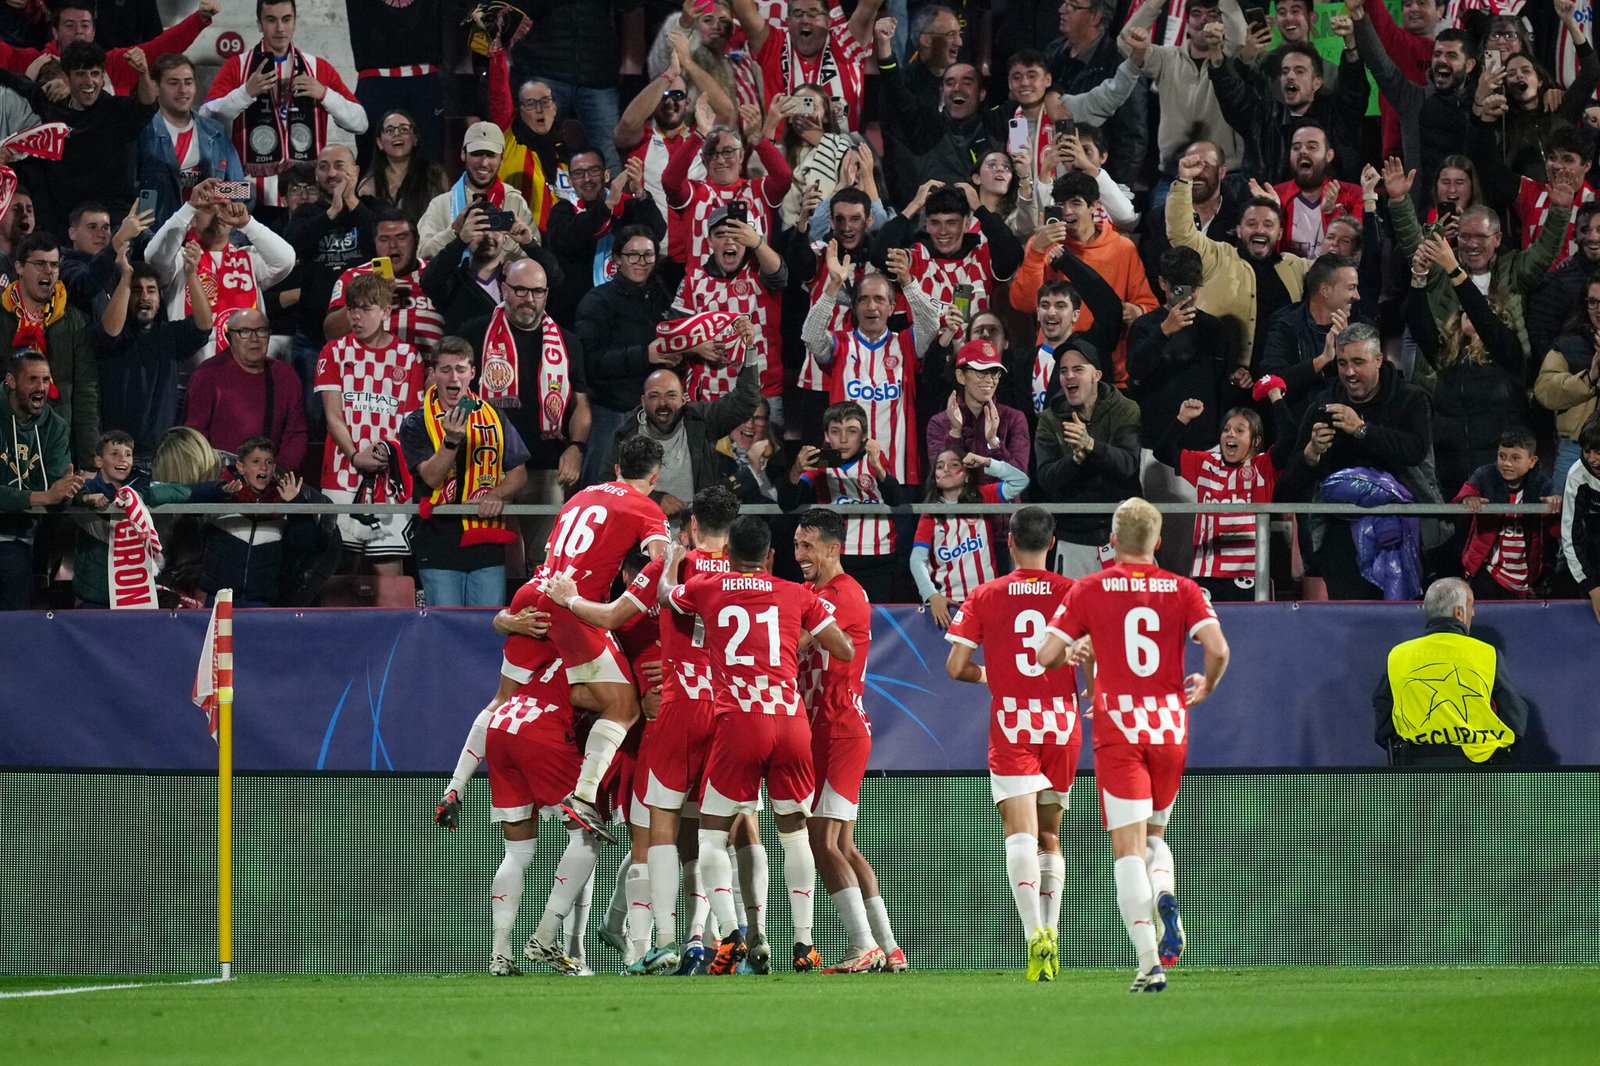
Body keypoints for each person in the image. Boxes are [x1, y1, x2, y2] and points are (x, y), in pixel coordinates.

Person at [542, 485, 739, 976]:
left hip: (668, 719)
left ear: (691, 527)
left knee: (654, 836)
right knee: (714, 835)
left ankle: (653, 946)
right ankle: (714, 940)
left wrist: (569, 598)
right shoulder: (742, 577)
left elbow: (608, 619)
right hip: (721, 713)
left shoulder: (664, 573)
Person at [1037, 497, 1230, 993]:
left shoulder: (1089, 587)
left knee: (1126, 851)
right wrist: (1206, 686)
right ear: (1158, 542)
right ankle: (1165, 893)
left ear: (1114, 542)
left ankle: (1149, 963)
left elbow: (1045, 655)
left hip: (1119, 728)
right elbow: (1218, 649)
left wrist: (1076, 649)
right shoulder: (1183, 588)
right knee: (1152, 838)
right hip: (1170, 727)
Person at [661, 512, 856, 973]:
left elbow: (667, 597)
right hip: (790, 721)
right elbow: (844, 649)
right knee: (794, 834)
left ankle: (731, 936)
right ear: (771, 556)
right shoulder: (795, 593)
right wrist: (798, 638)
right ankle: (805, 944)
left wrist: (671, 560)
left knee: (711, 835)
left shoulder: (708, 588)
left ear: (727, 556)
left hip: (739, 722)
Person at [944, 504, 1079, 981]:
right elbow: (1096, 652)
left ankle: (1033, 937)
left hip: (1013, 722)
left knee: (1018, 836)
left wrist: (992, 676)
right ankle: (1054, 933)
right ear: (1053, 541)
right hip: (1062, 722)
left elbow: (956, 667)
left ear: (1009, 541)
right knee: (1049, 837)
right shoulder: (1073, 592)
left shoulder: (984, 595)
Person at [529, 435, 671, 842]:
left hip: (541, 592)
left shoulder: (580, 496)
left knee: (581, 694)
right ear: (655, 476)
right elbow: (663, 562)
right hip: (577, 609)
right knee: (625, 707)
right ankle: (584, 796)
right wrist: (635, 600)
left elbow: (549, 553)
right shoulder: (647, 507)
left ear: (616, 469)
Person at [794, 507, 906, 973]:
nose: (800, 554)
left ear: (834, 548)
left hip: (838, 726)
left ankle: (863, 944)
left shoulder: (843, 594)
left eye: (809, 546)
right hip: (824, 727)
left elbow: (792, 639)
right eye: (797, 545)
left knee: (822, 841)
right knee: (843, 844)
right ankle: (889, 946)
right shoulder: (809, 591)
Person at [1275, 322, 1436, 600]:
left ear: (1378, 360)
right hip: (1340, 538)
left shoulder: (1411, 399)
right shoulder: (1322, 407)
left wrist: (1361, 429)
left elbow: (1414, 452)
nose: (1349, 372)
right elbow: (1288, 486)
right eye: (1342, 363)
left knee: (1398, 623)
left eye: (1358, 362)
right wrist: (1311, 454)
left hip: (1400, 531)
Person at [397, 337, 530, 608]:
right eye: (445, 370)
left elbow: (519, 472)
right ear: (433, 374)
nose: (453, 376)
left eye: (460, 369)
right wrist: (451, 442)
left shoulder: (495, 416)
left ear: (472, 373)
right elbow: (431, 478)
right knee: (446, 628)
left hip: (486, 542)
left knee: (485, 626)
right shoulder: (415, 422)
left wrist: (497, 493)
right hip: (438, 542)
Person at [800, 243, 940, 492]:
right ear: (854, 309)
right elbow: (810, 336)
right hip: (844, 476)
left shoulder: (905, 343)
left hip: (898, 473)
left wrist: (907, 280)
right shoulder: (840, 344)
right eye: (863, 300)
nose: (871, 307)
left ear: (892, 307)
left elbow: (930, 324)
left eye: (879, 299)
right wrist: (832, 287)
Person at [201, 0, 368, 209]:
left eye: (286, 19)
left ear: (295, 22)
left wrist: (324, 95)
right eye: (271, 20)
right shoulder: (237, 66)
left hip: (306, 193)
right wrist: (245, 93)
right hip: (248, 192)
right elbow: (206, 118)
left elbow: (360, 123)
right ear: (259, 24)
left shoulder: (317, 68)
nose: (280, 28)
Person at [462, 257, 591, 526]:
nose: (528, 299)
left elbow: (581, 404)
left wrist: (577, 447)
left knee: (542, 559)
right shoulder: (474, 333)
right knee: (492, 553)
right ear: (504, 289)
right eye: (520, 290)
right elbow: (453, 391)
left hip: (546, 467)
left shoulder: (568, 342)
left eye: (537, 291)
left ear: (546, 294)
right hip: (486, 466)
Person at [314, 272, 424, 581]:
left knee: (388, 567)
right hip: (341, 474)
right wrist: (354, 455)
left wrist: (387, 453)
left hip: (390, 480)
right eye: (352, 309)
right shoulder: (333, 352)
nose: (356, 316)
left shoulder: (409, 356)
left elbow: (411, 420)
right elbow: (333, 416)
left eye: (365, 308)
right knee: (337, 566)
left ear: (386, 312)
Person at [1168, 151, 1310, 373]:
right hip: (1222, 380)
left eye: (1268, 224)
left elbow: (1338, 267)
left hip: (1280, 383)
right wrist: (1184, 181)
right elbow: (1181, 235)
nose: (1260, 229)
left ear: (1280, 233)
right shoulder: (1218, 256)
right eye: (1252, 223)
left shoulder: (1297, 267)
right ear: (1239, 230)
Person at [1011, 172, 1156, 387]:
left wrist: (1138, 311)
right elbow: (1023, 303)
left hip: (1106, 369)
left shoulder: (1122, 249)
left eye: (1076, 203)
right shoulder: (1042, 244)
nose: (1067, 211)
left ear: (1094, 206)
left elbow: (1150, 308)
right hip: (1052, 367)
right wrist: (1036, 252)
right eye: (1061, 204)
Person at [1154, 388, 1296, 602]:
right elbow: (1162, 451)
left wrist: (1275, 396)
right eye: (1226, 429)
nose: (1230, 434)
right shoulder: (1205, 464)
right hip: (1206, 573)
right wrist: (1183, 418)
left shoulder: (1263, 466)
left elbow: (1290, 440)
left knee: (1246, 634)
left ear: (1256, 441)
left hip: (1250, 573)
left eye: (1240, 430)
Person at [1373, 577, 1529, 766]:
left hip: (1414, 769)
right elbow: (1514, 719)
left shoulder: (1398, 655)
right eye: (1471, 605)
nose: (1474, 613)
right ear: (1459, 612)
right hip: (1476, 771)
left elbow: (1383, 721)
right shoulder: (1487, 654)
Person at [145, 178, 295, 364]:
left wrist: (248, 224)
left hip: (242, 372)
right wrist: (189, 206)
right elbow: (153, 257)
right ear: (192, 219)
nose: (217, 214)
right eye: (208, 208)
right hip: (189, 377)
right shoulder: (181, 258)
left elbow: (286, 259)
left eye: (223, 206)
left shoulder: (249, 259)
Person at [573, 226, 679, 487]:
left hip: (656, 416)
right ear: (617, 259)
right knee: (601, 487)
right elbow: (591, 362)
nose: (641, 262)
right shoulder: (597, 300)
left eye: (648, 255)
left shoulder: (662, 297)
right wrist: (646, 355)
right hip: (611, 413)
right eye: (633, 255)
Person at [16, 40, 155, 238]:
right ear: (66, 77)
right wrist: (34, 69)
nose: (89, 81)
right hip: (64, 226)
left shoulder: (116, 112)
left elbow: (146, 105)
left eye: (95, 74)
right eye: (81, 74)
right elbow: (17, 84)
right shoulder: (50, 106)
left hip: (113, 224)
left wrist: (143, 73)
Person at [605, 346, 762, 517]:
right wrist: (655, 499)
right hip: (644, 532)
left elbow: (746, 401)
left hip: (697, 532)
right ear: (643, 401)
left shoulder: (702, 420)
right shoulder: (626, 434)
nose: (663, 403)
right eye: (655, 396)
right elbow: (608, 483)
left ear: (683, 399)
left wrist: (750, 350)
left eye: (671, 395)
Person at [94, 242, 212, 465]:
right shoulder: (109, 334)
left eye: (151, 290)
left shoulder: (169, 335)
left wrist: (191, 274)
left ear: (160, 299)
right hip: (115, 453)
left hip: (160, 454)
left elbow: (204, 325)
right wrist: (125, 277)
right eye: (136, 290)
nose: (145, 297)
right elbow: (110, 333)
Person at [1033, 341, 1141, 577]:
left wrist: (1091, 445)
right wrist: (1075, 460)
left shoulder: (1125, 408)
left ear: (1096, 375)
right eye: (1063, 371)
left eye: (1078, 369)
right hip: (1074, 537)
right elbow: (1045, 478)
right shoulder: (1050, 418)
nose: (1069, 376)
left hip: (1124, 536)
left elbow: (1128, 466)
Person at [781, 399, 904, 604]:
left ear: (864, 436)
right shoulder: (819, 463)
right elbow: (788, 502)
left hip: (877, 556)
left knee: (877, 626)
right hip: (835, 559)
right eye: (836, 431)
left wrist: (878, 467)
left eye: (852, 431)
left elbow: (895, 498)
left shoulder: (875, 458)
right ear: (827, 436)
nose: (844, 439)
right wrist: (796, 470)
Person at [0, 232, 99, 467]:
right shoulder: (1, 318)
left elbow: (87, 393)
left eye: (54, 265)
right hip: (6, 440)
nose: (49, 271)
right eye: (40, 264)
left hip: (58, 445)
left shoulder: (75, 322)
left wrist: (88, 462)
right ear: (19, 267)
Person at [672, 205, 786, 406]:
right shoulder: (694, 280)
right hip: (709, 397)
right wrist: (696, 346)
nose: (729, 241)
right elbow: (671, 335)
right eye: (721, 234)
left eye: (736, 234)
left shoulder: (759, 271)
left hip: (762, 394)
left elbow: (780, 275)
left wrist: (757, 243)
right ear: (709, 241)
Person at [543, 147, 666, 326]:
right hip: (575, 313)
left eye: (593, 171)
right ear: (570, 180)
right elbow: (568, 239)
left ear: (606, 175)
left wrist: (639, 192)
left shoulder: (624, 206)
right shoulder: (562, 211)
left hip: (623, 309)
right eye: (578, 173)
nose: (587, 179)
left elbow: (657, 232)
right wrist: (607, 206)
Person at [70, 429, 191, 609]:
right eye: (114, 454)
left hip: (135, 594)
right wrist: (85, 498)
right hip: (95, 596)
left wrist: (142, 496)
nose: (123, 459)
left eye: (128, 454)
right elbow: (65, 494)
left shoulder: (140, 486)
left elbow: (184, 491)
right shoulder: (86, 488)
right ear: (98, 461)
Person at [0, 348, 82, 610]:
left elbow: (58, 491)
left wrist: (73, 493)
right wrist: (43, 496)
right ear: (11, 381)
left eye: (46, 380)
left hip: (18, 536)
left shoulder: (55, 426)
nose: (41, 387)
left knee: (17, 612)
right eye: (32, 379)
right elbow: (48, 494)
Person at [914, 445, 1029, 627]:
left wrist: (986, 462)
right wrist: (931, 595)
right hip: (950, 605)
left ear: (967, 476)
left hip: (988, 599)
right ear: (935, 479)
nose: (946, 469)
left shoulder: (984, 496)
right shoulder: (930, 513)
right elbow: (917, 560)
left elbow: (1020, 481)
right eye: (940, 466)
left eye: (954, 465)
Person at [183, 308, 307, 474]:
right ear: (229, 337)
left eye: (261, 331)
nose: (254, 339)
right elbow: (195, 436)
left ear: (269, 335)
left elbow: (296, 434)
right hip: (220, 480)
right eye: (245, 332)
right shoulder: (206, 375)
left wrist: (279, 469)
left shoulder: (285, 376)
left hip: (271, 479)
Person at [0, 0, 216, 94]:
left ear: (93, 32)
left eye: (85, 25)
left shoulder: (115, 63)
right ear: (55, 32)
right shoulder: (32, 61)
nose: (78, 31)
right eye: (69, 25)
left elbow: (160, 47)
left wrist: (199, 19)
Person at [135, 53, 247, 232]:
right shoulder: (142, 132)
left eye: (188, 82)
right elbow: (128, 192)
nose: (183, 90)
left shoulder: (216, 132)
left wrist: (210, 194)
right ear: (155, 88)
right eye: (173, 83)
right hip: (157, 239)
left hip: (208, 239)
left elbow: (240, 191)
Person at [733, 0, 883, 131]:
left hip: (841, 155)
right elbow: (743, 9)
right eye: (797, 14)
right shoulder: (773, 44)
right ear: (788, 21)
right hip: (783, 157)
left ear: (828, 21)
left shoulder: (845, 43)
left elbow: (869, 6)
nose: (805, 19)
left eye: (813, 13)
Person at [1455, 428, 1561, 602]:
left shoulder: (1543, 485)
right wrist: (1468, 499)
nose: (1506, 464)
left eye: (1515, 458)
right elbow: (1463, 496)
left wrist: (1555, 509)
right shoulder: (1484, 475)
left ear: (1532, 461)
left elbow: (1557, 531)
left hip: (1527, 577)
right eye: (1502, 456)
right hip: (1488, 572)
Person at [325, 209, 443, 357]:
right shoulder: (353, 276)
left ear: (417, 240)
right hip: (368, 371)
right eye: (384, 239)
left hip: (428, 373)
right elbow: (332, 333)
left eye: (401, 237)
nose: (393, 245)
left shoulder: (436, 274)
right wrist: (366, 295)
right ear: (374, 243)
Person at [417, 121, 540, 263]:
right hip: (453, 284)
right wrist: (453, 232)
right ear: (463, 154)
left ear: (502, 159)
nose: (483, 162)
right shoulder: (441, 205)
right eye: (477, 154)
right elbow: (421, 254)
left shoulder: (515, 202)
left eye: (491, 155)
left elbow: (534, 258)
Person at [925, 338, 1030, 474]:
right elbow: (943, 477)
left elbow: (1019, 478)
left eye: (994, 372)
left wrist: (994, 443)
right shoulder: (940, 423)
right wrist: (955, 434)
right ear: (961, 376)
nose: (989, 380)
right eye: (982, 372)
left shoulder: (1014, 419)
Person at [1534, 279, 1600, 493]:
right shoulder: (1568, 345)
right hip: (1577, 449)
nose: (1598, 309)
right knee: (1564, 522)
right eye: (1593, 302)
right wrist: (1588, 379)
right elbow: (1544, 391)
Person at [356, 109, 448, 223]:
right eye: (389, 130)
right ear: (379, 142)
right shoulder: (368, 185)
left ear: (414, 139)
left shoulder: (435, 175)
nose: (396, 134)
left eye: (404, 129)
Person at [1558, 415, 1600, 623]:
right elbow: (1570, 536)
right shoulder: (1577, 475)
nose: (1592, 458)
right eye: (1587, 451)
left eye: (1598, 452)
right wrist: (1592, 586)